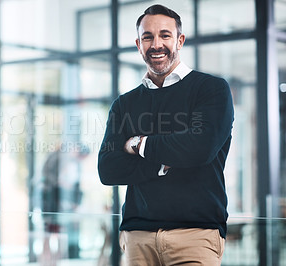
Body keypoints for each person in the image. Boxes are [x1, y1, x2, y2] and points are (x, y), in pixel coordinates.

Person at [98, 4, 234, 266]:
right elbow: (108, 169)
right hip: (138, 237)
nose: (156, 44)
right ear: (138, 44)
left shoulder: (211, 90)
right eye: (147, 37)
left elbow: (200, 149)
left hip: (195, 236)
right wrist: (165, 161)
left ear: (180, 40)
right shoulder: (124, 104)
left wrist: (138, 144)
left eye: (165, 35)